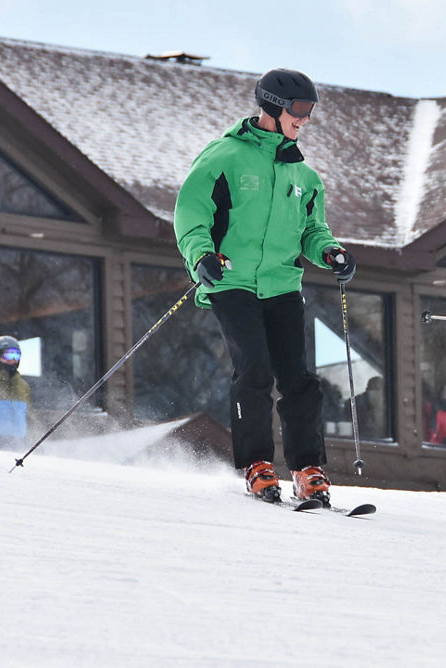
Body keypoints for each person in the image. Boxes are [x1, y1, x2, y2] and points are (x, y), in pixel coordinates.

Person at [174, 68, 356, 506]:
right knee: (254, 370)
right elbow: (191, 213)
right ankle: (257, 464)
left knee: (299, 379)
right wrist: (201, 256)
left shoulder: (304, 176)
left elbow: (312, 230)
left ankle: (307, 469)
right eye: (300, 109)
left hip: (282, 285)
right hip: (232, 280)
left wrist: (330, 252)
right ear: (273, 106)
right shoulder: (224, 157)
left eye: (310, 111)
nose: (305, 119)